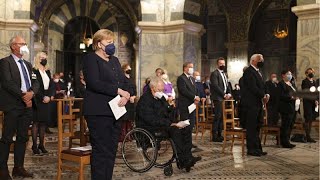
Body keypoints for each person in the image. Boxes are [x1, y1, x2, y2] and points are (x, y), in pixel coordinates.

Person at [82, 29, 130, 180]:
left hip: (116, 111)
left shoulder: (115, 60)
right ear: (99, 44)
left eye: (112, 42)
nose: (112, 45)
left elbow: (123, 81)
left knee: (111, 151)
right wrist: (118, 90)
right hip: (98, 112)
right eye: (109, 42)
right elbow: (94, 83)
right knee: (100, 151)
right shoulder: (90, 59)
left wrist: (126, 95)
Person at [136, 76, 199, 172]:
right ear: (153, 88)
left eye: (162, 90)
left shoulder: (160, 98)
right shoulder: (145, 100)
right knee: (175, 130)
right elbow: (150, 119)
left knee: (185, 128)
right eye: (160, 90)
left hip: (160, 124)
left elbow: (167, 113)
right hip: (149, 127)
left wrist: (171, 108)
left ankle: (187, 157)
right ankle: (183, 160)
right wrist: (170, 124)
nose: (162, 92)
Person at [0, 35, 39, 179]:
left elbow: (35, 82)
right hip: (13, 105)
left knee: (23, 137)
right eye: (21, 43)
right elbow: (7, 83)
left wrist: (32, 93)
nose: (24, 46)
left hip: (27, 106)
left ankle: (19, 167)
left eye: (24, 43)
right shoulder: (5, 62)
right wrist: (24, 96)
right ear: (13, 46)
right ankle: (3, 169)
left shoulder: (28, 64)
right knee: (7, 138)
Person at [241, 54, 269, 157]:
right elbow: (253, 87)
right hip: (250, 104)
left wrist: (266, 94)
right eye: (260, 60)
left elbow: (262, 86)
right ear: (253, 61)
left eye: (262, 60)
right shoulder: (249, 72)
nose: (261, 62)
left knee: (257, 126)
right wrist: (263, 95)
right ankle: (251, 149)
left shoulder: (258, 72)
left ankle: (258, 148)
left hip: (257, 103)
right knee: (251, 127)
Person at [176, 62, 201, 159]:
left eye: (192, 67)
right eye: (190, 67)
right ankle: (184, 145)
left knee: (191, 125)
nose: (192, 69)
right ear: (185, 68)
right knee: (185, 125)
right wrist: (194, 96)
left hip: (192, 105)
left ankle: (189, 144)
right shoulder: (181, 78)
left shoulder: (192, 79)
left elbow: (195, 90)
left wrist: (197, 97)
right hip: (185, 106)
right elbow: (183, 91)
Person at [31, 52, 54, 155]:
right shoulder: (34, 71)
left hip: (47, 99)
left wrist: (49, 96)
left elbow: (51, 85)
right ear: (37, 59)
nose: (44, 59)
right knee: (36, 122)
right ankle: (34, 145)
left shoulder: (47, 71)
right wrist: (42, 97)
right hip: (37, 99)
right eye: (41, 58)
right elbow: (35, 86)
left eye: (45, 58)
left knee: (43, 123)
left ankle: (41, 144)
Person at [209, 57, 232, 142]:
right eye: (220, 63)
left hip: (224, 98)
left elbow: (227, 85)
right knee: (217, 116)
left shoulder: (224, 74)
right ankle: (214, 135)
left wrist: (229, 93)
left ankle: (220, 134)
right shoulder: (214, 74)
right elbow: (215, 86)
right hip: (218, 98)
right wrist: (224, 94)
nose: (222, 65)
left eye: (223, 63)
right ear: (217, 64)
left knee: (222, 117)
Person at [278, 70, 297, 148]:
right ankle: (284, 142)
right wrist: (291, 97)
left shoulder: (291, 84)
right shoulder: (281, 84)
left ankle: (287, 140)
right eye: (288, 74)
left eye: (290, 74)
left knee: (290, 124)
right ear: (283, 75)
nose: (290, 75)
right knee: (285, 125)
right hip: (285, 107)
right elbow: (281, 95)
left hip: (293, 107)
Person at [118, 63, 136, 142]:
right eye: (128, 69)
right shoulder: (121, 78)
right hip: (125, 100)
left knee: (129, 119)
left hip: (131, 101)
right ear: (124, 69)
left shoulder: (131, 79)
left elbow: (134, 90)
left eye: (130, 69)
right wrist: (127, 97)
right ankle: (123, 135)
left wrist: (133, 96)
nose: (129, 70)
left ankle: (129, 135)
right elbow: (122, 89)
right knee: (124, 119)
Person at [302, 68, 318, 143]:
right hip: (307, 103)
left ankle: (309, 136)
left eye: (312, 72)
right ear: (306, 73)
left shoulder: (314, 81)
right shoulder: (304, 81)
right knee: (307, 119)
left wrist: (317, 100)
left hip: (313, 104)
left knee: (311, 119)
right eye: (310, 72)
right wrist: (313, 100)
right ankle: (307, 136)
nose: (311, 73)